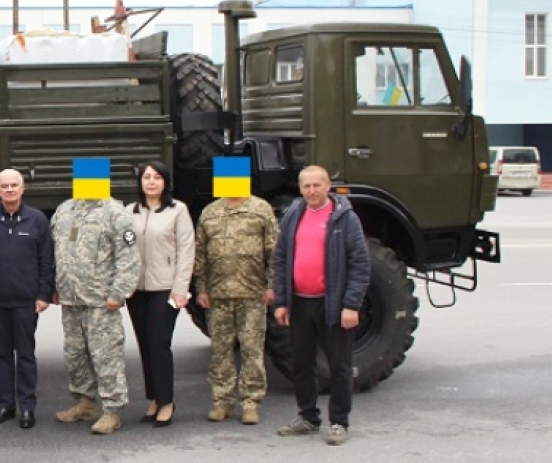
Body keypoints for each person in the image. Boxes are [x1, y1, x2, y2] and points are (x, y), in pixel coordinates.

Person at [273, 165, 370, 446]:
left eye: (317, 185)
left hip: (333, 304)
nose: (312, 191)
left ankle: (339, 422)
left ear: (328, 186)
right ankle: (308, 417)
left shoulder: (345, 218)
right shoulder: (292, 216)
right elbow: (280, 260)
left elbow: (360, 263)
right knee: (301, 364)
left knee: (339, 366)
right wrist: (281, 300)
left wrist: (351, 305)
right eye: (306, 186)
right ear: (300, 189)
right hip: (300, 304)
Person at [51, 187, 141, 435]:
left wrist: (119, 292)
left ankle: (112, 410)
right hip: (71, 299)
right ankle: (85, 403)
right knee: (75, 354)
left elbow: (129, 255)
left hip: (102, 299)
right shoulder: (64, 210)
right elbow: (55, 251)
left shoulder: (116, 213)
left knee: (106, 355)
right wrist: (55, 285)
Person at [0, 169, 54, 429]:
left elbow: (46, 260)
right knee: (2, 355)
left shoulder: (37, 219)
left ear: (22, 189)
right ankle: (5, 404)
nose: (9, 190)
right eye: (4, 186)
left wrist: (43, 294)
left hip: (26, 301)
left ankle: (27, 407)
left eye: (14, 185)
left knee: (26, 355)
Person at [194, 186, 278, 426]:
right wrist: (202, 288)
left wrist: (272, 285)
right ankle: (223, 401)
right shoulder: (210, 213)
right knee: (220, 350)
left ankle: (251, 402)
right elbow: (200, 254)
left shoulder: (260, 210)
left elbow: (273, 250)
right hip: (219, 294)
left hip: (252, 293)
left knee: (252, 349)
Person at [124, 161, 194, 428]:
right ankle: (153, 398)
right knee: (144, 344)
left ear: (165, 182)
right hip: (137, 290)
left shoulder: (177, 210)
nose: (151, 182)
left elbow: (186, 251)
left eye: (156, 177)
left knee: (159, 343)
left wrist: (180, 289)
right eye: (146, 177)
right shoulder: (130, 211)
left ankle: (167, 402)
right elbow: (126, 244)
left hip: (164, 288)